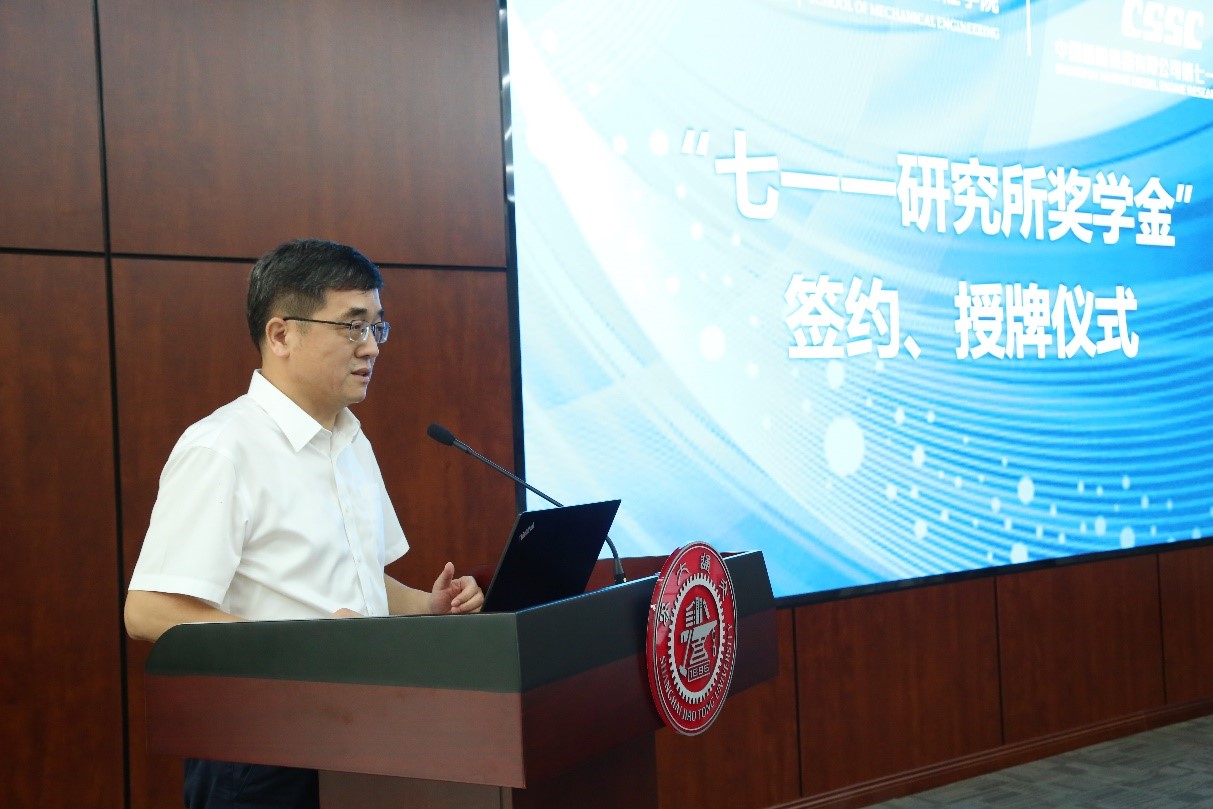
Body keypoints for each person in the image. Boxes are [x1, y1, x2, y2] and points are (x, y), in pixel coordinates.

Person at [125, 238, 484, 809]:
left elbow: (355, 577)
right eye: (352, 325)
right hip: (261, 747)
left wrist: (426, 605)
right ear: (281, 335)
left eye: (377, 326)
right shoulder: (222, 448)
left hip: (358, 730)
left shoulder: (351, 440)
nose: (371, 346)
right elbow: (148, 610)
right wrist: (303, 646)